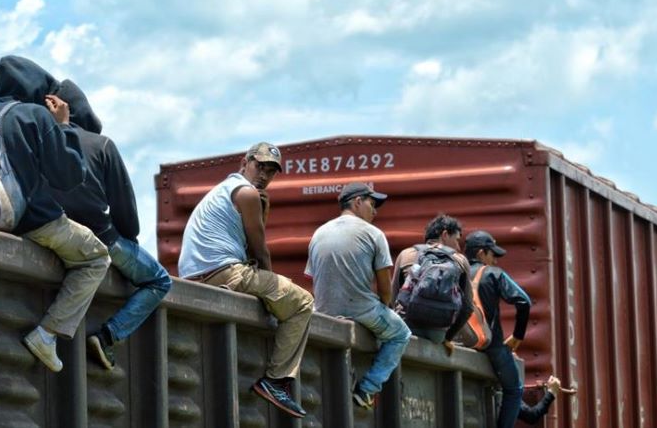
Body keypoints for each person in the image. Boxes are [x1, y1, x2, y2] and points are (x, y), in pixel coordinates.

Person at [0, 56, 111, 372]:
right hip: (26, 219)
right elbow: (70, 176)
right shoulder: (33, 115)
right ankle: (46, 334)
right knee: (96, 257)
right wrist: (63, 125)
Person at [178, 142, 314, 419]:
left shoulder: (224, 189)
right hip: (224, 272)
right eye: (259, 166)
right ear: (245, 162)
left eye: (271, 171)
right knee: (302, 302)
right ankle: (276, 381)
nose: (264, 175)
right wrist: (272, 286)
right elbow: (259, 251)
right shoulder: (247, 193)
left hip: (196, 276)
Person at [49, 80, 172, 370]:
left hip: (52, 234)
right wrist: (129, 239)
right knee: (159, 280)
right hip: (101, 239)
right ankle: (107, 336)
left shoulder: (41, 142)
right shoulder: (101, 145)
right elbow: (125, 210)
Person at [305, 182, 410, 410]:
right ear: (357, 202)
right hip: (361, 310)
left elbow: (315, 279)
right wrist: (386, 308)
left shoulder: (318, 233)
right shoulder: (374, 234)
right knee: (401, 334)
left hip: (323, 310)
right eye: (372, 204)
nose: (375, 211)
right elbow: (384, 288)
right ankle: (367, 389)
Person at [464, 230, 531, 428]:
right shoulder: (493, 274)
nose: (496, 261)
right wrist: (517, 336)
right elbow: (524, 302)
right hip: (491, 346)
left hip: (458, 343)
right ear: (481, 253)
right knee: (514, 389)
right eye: (493, 255)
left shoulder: (456, 269)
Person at [392, 214, 473, 355]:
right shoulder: (460, 261)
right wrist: (447, 337)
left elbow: (392, 297)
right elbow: (467, 308)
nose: (458, 247)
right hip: (437, 334)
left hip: (406, 328)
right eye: (456, 240)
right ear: (445, 234)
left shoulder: (406, 254)